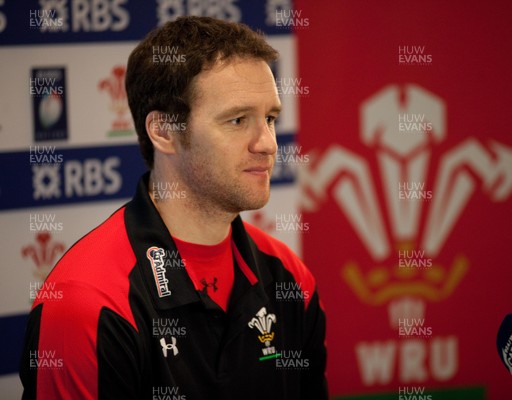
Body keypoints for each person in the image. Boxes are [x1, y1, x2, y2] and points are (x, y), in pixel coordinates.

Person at [20, 16, 327, 399]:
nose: (267, 143)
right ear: (163, 131)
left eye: (269, 118)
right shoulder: (88, 304)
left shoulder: (291, 279)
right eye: (237, 120)